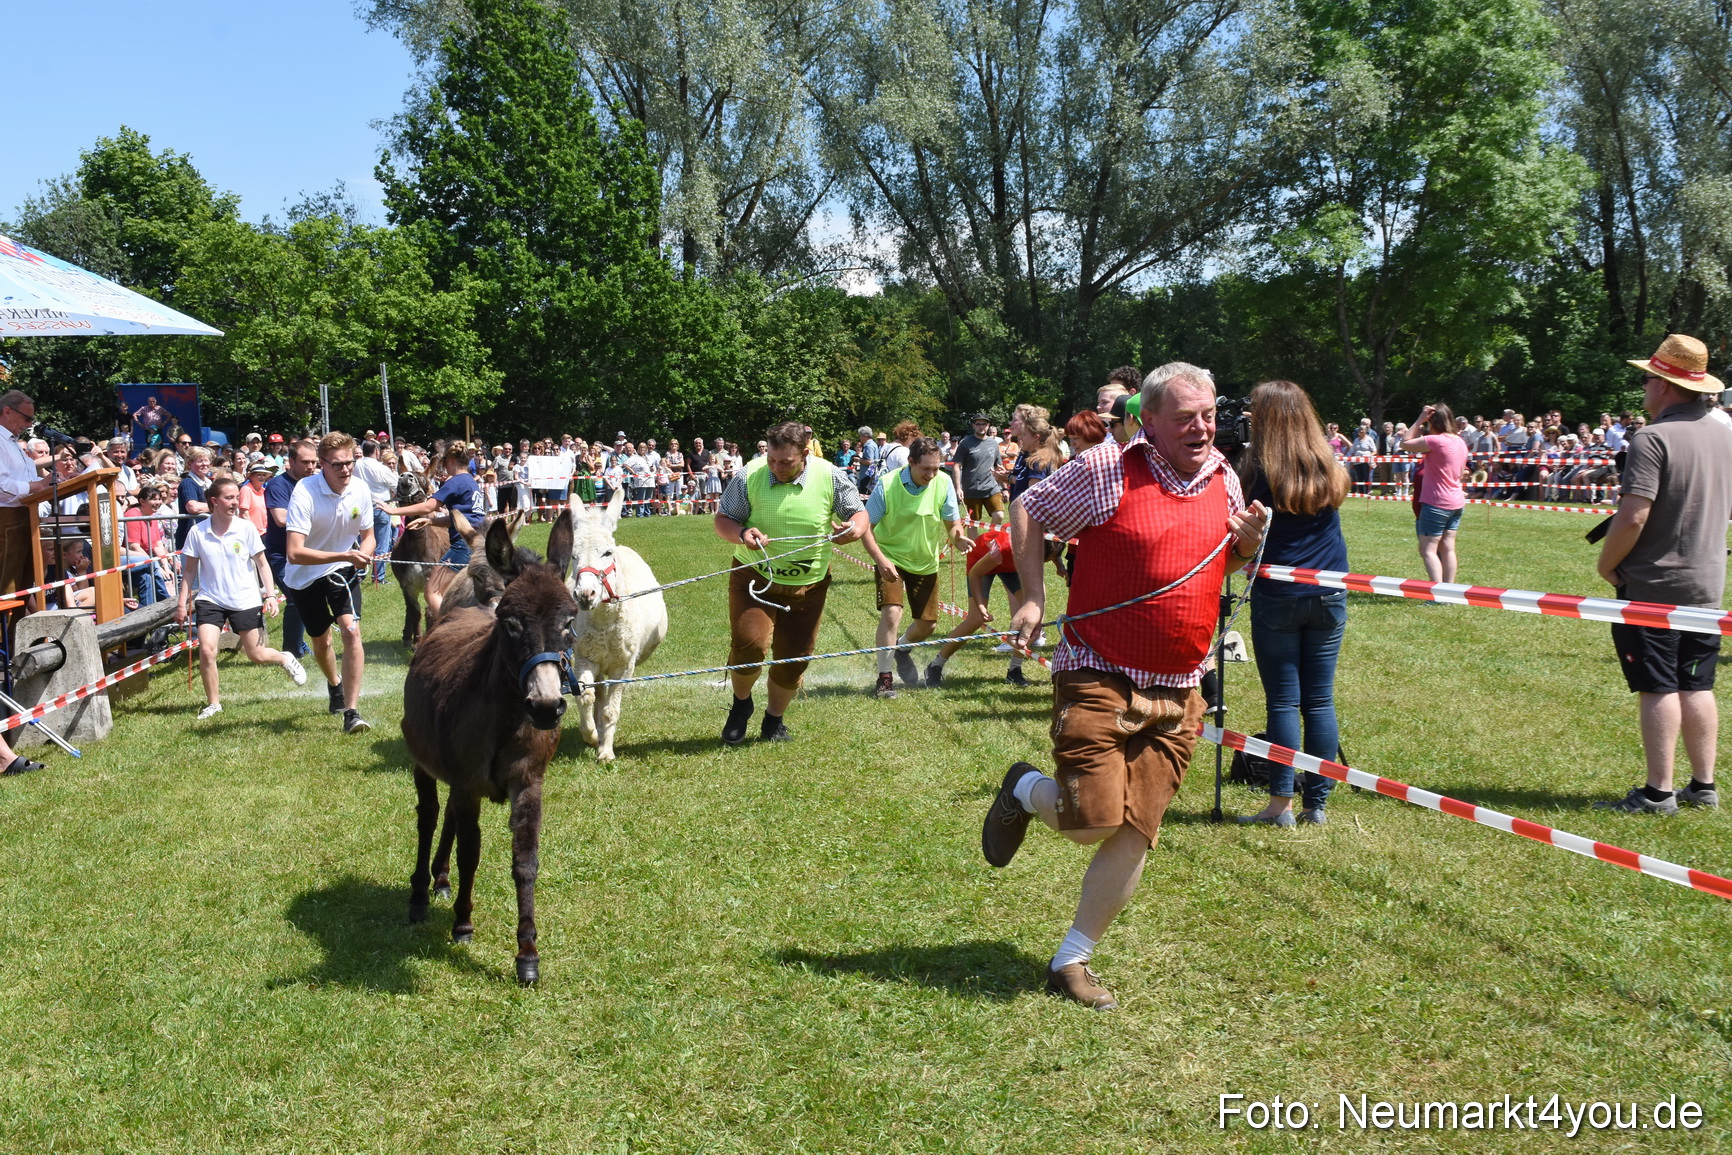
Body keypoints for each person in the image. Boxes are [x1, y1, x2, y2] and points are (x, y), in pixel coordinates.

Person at [981, 362, 1269, 1010]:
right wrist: (1032, 595)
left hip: (1182, 686)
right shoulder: (1110, 469)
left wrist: (1245, 546)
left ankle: (1072, 959)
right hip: (1098, 670)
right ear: (1153, 420)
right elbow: (1029, 507)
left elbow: (1215, 561)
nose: (1202, 427)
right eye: (1186, 417)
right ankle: (1024, 788)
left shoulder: (1224, 476)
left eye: (1209, 414)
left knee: (1137, 826)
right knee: (1091, 821)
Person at [1593, 335, 1732, 814]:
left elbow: (1633, 516)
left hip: (1654, 584)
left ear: (1666, 385)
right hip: (1707, 582)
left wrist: (1607, 564)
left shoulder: (1652, 438)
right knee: (1698, 683)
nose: (1644, 387)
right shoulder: (1724, 432)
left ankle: (1657, 793)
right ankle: (1703, 785)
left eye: (1648, 378)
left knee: (1659, 685)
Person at [1233, 380, 1351, 827]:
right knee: (1319, 700)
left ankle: (1280, 805)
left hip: (1279, 595)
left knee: (1283, 702)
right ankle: (1315, 805)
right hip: (1329, 593)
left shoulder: (1256, 469)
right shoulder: (1328, 464)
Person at [712, 421, 868, 744]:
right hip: (756, 579)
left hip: (809, 586)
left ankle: (773, 722)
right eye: (772, 459)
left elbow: (859, 514)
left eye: (786, 462)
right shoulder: (749, 476)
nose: (777, 467)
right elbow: (723, 519)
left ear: (805, 453)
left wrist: (852, 529)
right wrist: (742, 534)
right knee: (749, 645)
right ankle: (741, 706)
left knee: (794, 658)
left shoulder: (830, 476)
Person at [176, 476, 308, 719]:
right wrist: (182, 603)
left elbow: (262, 564)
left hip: (245, 599)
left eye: (237, 497)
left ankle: (284, 658)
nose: (235, 502)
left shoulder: (245, 528)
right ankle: (214, 704)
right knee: (206, 650)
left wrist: (269, 594)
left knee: (256, 655)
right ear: (214, 501)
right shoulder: (197, 532)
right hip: (210, 598)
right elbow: (189, 571)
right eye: (229, 498)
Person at [283, 432, 375, 735]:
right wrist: (344, 553)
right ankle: (334, 684)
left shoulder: (360, 489)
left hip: (341, 570)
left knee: (351, 630)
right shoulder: (305, 492)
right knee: (321, 641)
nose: (345, 470)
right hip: (304, 576)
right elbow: (294, 553)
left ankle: (351, 711)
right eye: (337, 465)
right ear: (322, 464)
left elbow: (369, 535)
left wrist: (363, 554)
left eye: (349, 463)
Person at [862, 437, 967, 697]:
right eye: (926, 469)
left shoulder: (943, 483)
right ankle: (884, 680)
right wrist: (881, 560)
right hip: (891, 558)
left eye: (936, 468)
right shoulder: (887, 485)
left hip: (925, 561)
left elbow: (953, 525)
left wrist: (959, 538)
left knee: (927, 625)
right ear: (910, 462)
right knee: (892, 614)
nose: (931, 474)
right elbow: (866, 529)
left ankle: (902, 648)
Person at [926, 524, 1062, 689]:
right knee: (975, 619)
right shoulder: (1002, 549)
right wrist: (981, 606)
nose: (1047, 562)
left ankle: (1014, 671)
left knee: (1032, 618)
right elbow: (975, 574)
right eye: (1046, 559)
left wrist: (1059, 564)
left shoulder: (1043, 540)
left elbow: (1053, 547)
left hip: (1012, 564)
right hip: (982, 562)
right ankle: (935, 665)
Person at [1398, 403, 1467, 583]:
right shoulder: (1460, 442)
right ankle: (1449, 591)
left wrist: (1420, 418)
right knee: (1448, 548)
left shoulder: (1435, 441)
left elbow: (1404, 443)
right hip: (1456, 502)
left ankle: (1437, 594)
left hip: (1436, 503)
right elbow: (1460, 473)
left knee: (1428, 550)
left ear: (1433, 421)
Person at [265, 440, 317, 659]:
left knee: (308, 598)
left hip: (307, 552)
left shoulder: (315, 483)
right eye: (305, 462)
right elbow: (280, 518)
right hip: (280, 555)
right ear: (291, 462)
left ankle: (299, 644)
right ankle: (291, 651)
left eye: (314, 462)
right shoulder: (278, 485)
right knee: (296, 597)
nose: (311, 467)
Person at [354, 439, 399, 584]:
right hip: (380, 506)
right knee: (382, 543)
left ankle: (360, 574)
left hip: (361, 507)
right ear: (377, 452)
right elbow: (396, 483)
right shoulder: (380, 468)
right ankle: (378, 577)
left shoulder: (356, 465)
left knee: (362, 542)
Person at [952, 413, 1005, 530]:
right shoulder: (965, 443)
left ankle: (991, 544)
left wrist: (1005, 488)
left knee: (999, 515)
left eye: (984, 424)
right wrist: (958, 488)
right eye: (978, 424)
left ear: (988, 426)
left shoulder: (993, 443)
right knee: (972, 523)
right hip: (972, 489)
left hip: (991, 487)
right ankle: (974, 548)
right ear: (973, 426)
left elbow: (999, 466)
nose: (981, 427)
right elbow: (956, 466)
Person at [174, 448, 213, 550]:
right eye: (200, 461)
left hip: (206, 535)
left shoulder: (209, 483)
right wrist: (217, 505)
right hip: (190, 539)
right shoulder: (188, 483)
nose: (204, 464)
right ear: (190, 464)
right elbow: (192, 507)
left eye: (206, 460)